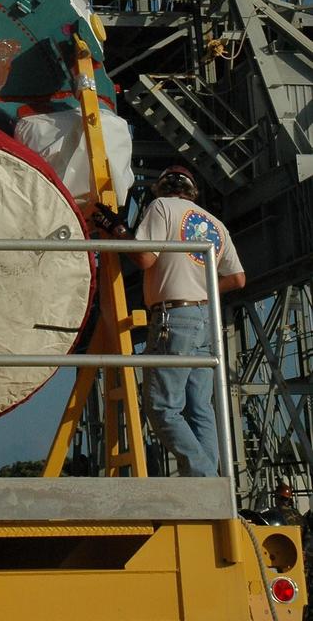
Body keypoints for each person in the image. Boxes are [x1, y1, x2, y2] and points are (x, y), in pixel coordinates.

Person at [93, 161, 245, 477]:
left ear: (161, 188)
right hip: (206, 319)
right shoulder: (215, 223)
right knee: (198, 408)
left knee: (162, 407)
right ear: (194, 192)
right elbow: (238, 279)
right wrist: (202, 290)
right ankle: (213, 483)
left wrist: (118, 231)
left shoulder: (161, 207)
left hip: (172, 318)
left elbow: (146, 258)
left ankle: (204, 477)